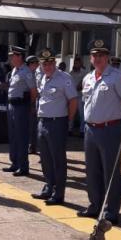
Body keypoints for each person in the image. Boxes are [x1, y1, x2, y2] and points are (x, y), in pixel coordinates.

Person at [79, 39, 121, 224]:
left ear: (107, 57)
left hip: (111, 128)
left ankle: (111, 211)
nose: (97, 58)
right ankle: (95, 205)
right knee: (92, 170)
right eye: (94, 55)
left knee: (110, 172)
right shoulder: (88, 78)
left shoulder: (118, 77)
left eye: (101, 55)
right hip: (91, 129)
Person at [31, 49, 77, 205]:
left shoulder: (64, 78)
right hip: (43, 122)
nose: (48, 66)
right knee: (45, 158)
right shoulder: (43, 78)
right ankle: (48, 187)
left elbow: (73, 101)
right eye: (45, 64)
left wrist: (67, 121)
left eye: (50, 63)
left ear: (54, 63)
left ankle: (59, 193)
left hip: (57, 122)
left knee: (58, 159)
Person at [2, 47, 38, 176]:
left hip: (21, 107)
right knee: (13, 136)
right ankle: (14, 163)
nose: (11, 58)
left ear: (20, 57)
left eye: (13, 56)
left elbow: (33, 91)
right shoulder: (14, 71)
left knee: (21, 137)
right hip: (12, 106)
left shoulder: (26, 72)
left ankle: (23, 166)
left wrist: (31, 106)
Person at [27, 55, 41, 155]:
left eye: (36, 63)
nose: (35, 65)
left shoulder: (39, 74)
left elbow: (36, 91)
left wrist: (33, 105)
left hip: (36, 102)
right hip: (27, 102)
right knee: (30, 126)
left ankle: (33, 147)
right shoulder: (28, 73)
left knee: (34, 126)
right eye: (34, 63)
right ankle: (31, 146)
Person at [69, 56, 87, 136]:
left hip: (80, 96)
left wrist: (81, 85)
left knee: (82, 114)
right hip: (72, 96)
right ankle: (69, 129)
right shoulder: (70, 73)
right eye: (75, 63)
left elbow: (85, 84)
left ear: (81, 64)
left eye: (78, 63)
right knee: (71, 113)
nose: (76, 64)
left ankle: (82, 131)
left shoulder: (84, 73)